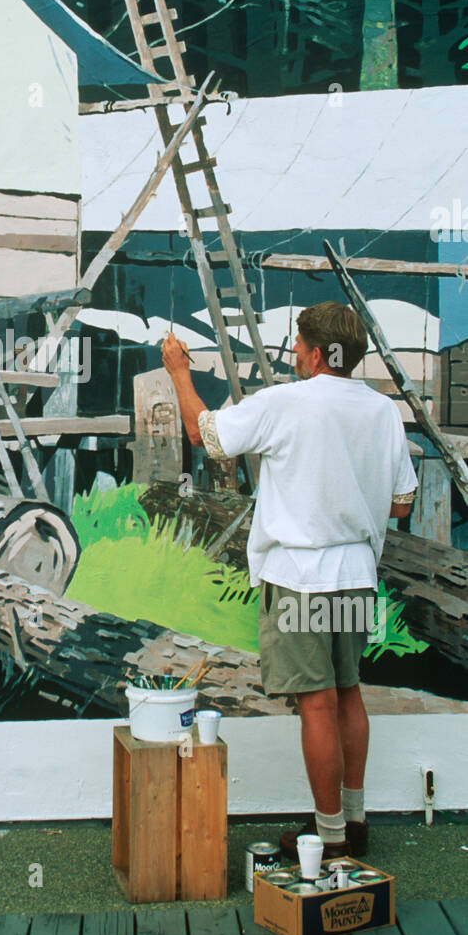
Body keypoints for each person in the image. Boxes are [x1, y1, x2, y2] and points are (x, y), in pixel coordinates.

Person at [162, 302, 417, 862]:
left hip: (301, 575)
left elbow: (207, 436)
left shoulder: (287, 402)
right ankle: (353, 819)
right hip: (354, 576)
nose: (294, 351)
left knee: (318, 705)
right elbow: (401, 504)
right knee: (347, 693)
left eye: (299, 342)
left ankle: (329, 839)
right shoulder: (381, 412)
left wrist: (179, 372)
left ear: (322, 352)